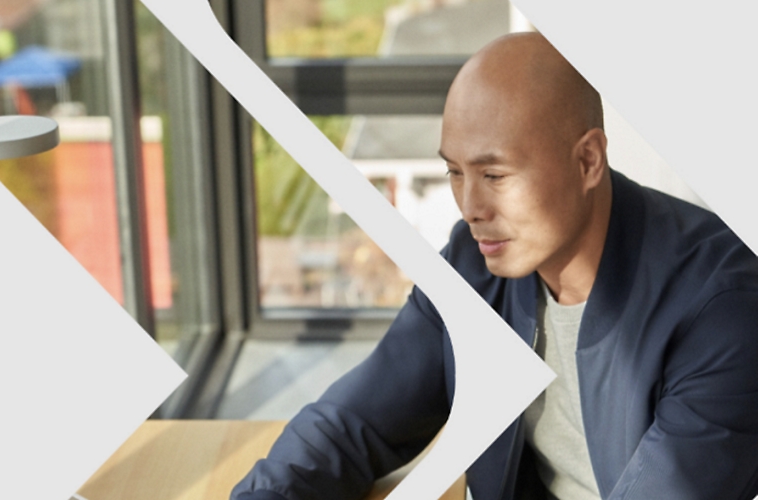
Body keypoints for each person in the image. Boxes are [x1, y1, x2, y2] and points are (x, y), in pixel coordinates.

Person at [231, 32, 758, 500]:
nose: (471, 207)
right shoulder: (476, 264)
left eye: (495, 175)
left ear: (588, 161)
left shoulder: (721, 306)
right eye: (455, 173)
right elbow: (354, 422)